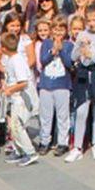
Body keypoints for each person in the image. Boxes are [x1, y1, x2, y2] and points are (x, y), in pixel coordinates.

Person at [68, 4, 95, 162]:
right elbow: (73, 57)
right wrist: (80, 46)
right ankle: (77, 146)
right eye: (89, 20)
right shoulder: (82, 34)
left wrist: (90, 54)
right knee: (81, 110)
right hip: (84, 74)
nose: (92, 23)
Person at [1, 33, 39, 167]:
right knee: (13, 125)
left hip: (22, 98)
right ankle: (19, 150)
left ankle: (30, 152)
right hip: (16, 98)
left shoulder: (17, 60)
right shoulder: (12, 59)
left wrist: (9, 90)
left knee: (18, 125)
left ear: (4, 48)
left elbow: (23, 83)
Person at [37, 16, 73, 157]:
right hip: (46, 84)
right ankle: (45, 141)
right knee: (46, 115)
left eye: (61, 30)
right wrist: (53, 51)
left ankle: (62, 142)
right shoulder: (46, 43)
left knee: (62, 115)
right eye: (56, 30)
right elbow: (43, 60)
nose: (58, 33)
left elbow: (69, 63)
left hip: (62, 85)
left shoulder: (69, 45)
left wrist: (61, 49)